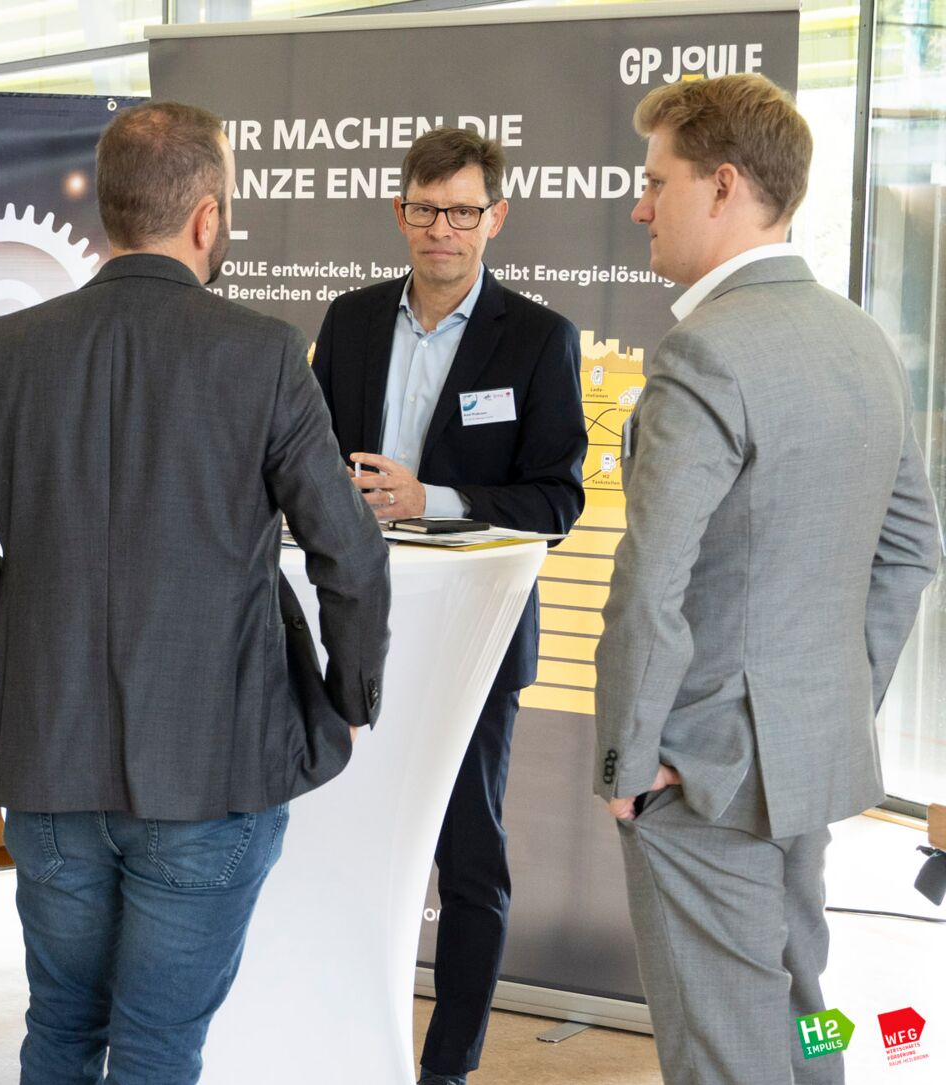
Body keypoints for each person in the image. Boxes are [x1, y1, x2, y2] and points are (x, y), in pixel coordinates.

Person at [0, 100, 391, 1085]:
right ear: (208, 217)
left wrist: (35, 624)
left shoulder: (4, 349)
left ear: (111, 209)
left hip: (51, 760)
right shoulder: (262, 352)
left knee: (60, 1030)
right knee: (159, 1047)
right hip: (213, 766)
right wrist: (351, 693)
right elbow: (351, 553)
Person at [596, 73, 940, 1085]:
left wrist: (629, 765)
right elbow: (913, 548)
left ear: (723, 185)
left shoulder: (704, 351)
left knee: (723, 1051)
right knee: (803, 1009)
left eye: (655, 181)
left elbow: (652, 579)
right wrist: (828, 706)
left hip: (701, 779)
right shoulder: (861, 338)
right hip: (804, 762)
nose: (640, 206)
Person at [309, 127, 586, 1085]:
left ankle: (448, 1069)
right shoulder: (349, 322)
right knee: (338, 845)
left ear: (494, 218)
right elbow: (303, 464)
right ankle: (341, 1042)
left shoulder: (539, 339)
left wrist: (432, 498)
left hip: (473, 642)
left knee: (470, 861)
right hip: (351, 632)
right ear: (400, 212)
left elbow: (558, 501)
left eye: (463, 211)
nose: (442, 229)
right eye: (426, 209)